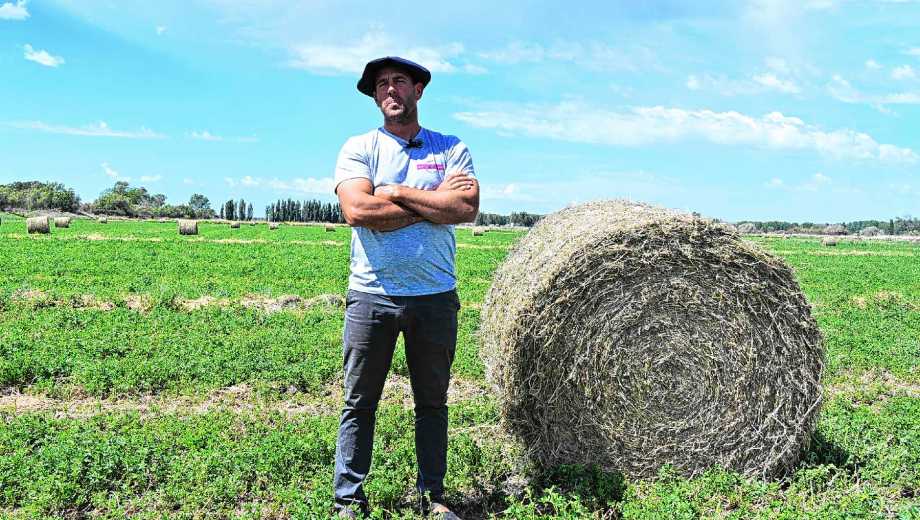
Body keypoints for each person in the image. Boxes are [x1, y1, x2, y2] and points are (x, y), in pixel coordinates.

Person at [331, 56, 479, 519]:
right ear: (375, 96)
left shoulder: (450, 147)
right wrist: (434, 203)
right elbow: (358, 212)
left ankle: (431, 496)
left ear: (418, 89)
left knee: (432, 402)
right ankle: (348, 500)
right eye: (381, 85)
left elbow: (467, 208)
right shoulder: (358, 148)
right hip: (371, 296)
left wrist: (393, 192)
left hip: (435, 296)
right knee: (359, 401)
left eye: (398, 81)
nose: (389, 90)